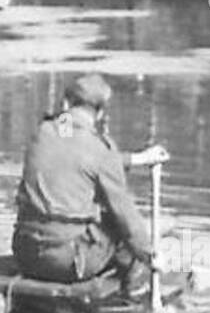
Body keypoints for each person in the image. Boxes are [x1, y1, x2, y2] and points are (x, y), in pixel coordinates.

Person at [11, 74, 169, 293]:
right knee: (119, 227)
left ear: (66, 104)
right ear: (102, 112)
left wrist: (137, 159)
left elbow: (71, 149)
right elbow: (126, 216)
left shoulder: (44, 132)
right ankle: (132, 289)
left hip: (25, 253)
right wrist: (150, 254)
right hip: (65, 262)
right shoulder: (101, 151)